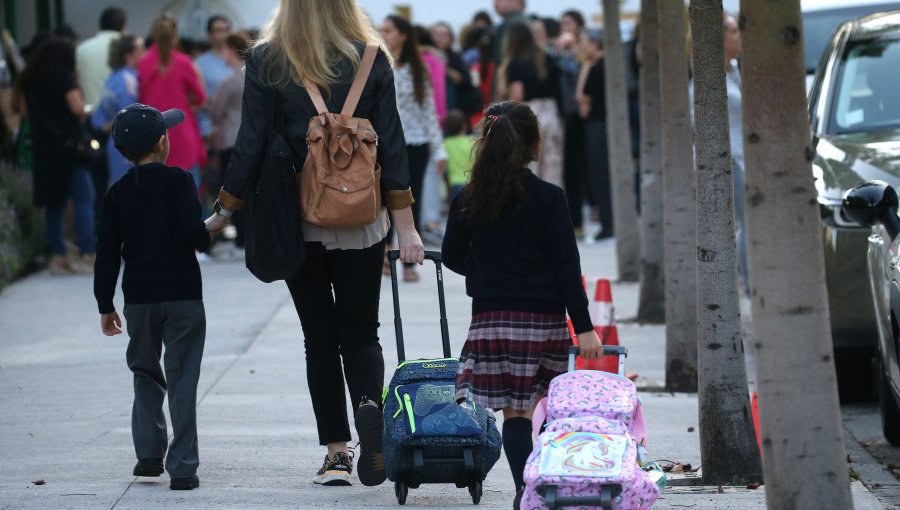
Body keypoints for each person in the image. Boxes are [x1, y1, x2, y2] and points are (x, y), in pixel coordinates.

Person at [205, 0, 425, 487]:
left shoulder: (268, 60)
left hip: (295, 217)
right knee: (362, 332)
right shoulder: (371, 56)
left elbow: (252, 140)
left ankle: (337, 453)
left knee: (318, 339)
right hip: (360, 216)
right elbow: (391, 139)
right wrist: (407, 227)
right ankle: (370, 408)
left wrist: (225, 210)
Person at [441, 101, 602, 508]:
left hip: (492, 319)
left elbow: (452, 255)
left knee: (514, 412)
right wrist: (583, 326)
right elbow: (567, 267)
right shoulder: (549, 198)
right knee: (542, 406)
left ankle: (523, 489)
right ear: (534, 144)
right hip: (543, 318)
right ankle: (542, 483)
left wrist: (485, 273)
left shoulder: (469, 198)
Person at [94, 104, 210, 491]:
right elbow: (196, 234)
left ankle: (147, 455)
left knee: (145, 371)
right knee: (182, 377)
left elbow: (107, 254)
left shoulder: (117, 194)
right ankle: (183, 467)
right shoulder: (180, 182)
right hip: (182, 296)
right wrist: (215, 225)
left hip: (139, 300)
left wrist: (105, 305)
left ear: (125, 153)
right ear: (164, 142)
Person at [15, 37, 96, 275]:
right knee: (83, 197)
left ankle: (58, 254)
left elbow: (23, 111)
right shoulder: (63, 78)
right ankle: (87, 251)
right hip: (69, 150)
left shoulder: (30, 81)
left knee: (54, 204)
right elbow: (77, 108)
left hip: (44, 150)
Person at [381, 15, 447, 283]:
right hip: (384, 142)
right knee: (383, 198)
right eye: (382, 30)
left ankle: (410, 260)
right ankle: (385, 253)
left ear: (403, 35)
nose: (384, 34)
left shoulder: (417, 68)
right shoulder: (377, 64)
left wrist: (439, 149)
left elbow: (428, 111)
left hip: (416, 141)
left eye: (389, 30)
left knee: (412, 197)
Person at [138, 14, 207, 193]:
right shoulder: (185, 62)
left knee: (156, 196)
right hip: (182, 134)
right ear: (175, 34)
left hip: (152, 137)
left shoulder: (143, 63)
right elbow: (200, 97)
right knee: (189, 194)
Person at [500, 23, 564, 188]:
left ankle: (532, 206)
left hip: (529, 113)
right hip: (551, 112)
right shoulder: (546, 58)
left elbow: (517, 95)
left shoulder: (515, 63)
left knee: (529, 164)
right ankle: (553, 204)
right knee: (552, 164)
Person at [209, 32, 251, 254]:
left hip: (230, 139)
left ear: (231, 50)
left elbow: (216, 112)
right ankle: (249, 237)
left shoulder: (230, 81)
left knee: (232, 191)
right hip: (252, 139)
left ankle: (240, 239)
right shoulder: (256, 75)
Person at [91, 34, 145, 186]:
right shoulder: (131, 80)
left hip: (113, 143)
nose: (145, 53)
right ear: (129, 55)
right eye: (141, 49)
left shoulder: (112, 78)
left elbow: (98, 118)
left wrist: (109, 125)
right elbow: (130, 116)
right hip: (131, 146)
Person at [577, 28, 613, 240]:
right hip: (602, 123)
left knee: (600, 174)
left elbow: (582, 99)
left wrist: (585, 68)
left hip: (596, 124)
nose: (581, 45)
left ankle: (608, 224)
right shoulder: (605, 65)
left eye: (584, 41)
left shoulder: (596, 68)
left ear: (594, 44)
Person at [76, 6, 126, 108]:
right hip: (121, 115)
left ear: (100, 25)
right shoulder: (127, 46)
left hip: (90, 115)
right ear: (122, 26)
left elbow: (77, 83)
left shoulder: (81, 49)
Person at [195, 15, 234, 98]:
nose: (223, 35)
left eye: (226, 30)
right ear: (209, 35)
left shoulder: (239, 59)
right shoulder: (200, 63)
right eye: (219, 30)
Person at [443, 109, 476, 198]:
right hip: (472, 181)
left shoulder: (446, 143)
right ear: (464, 125)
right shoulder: (472, 140)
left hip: (455, 183)